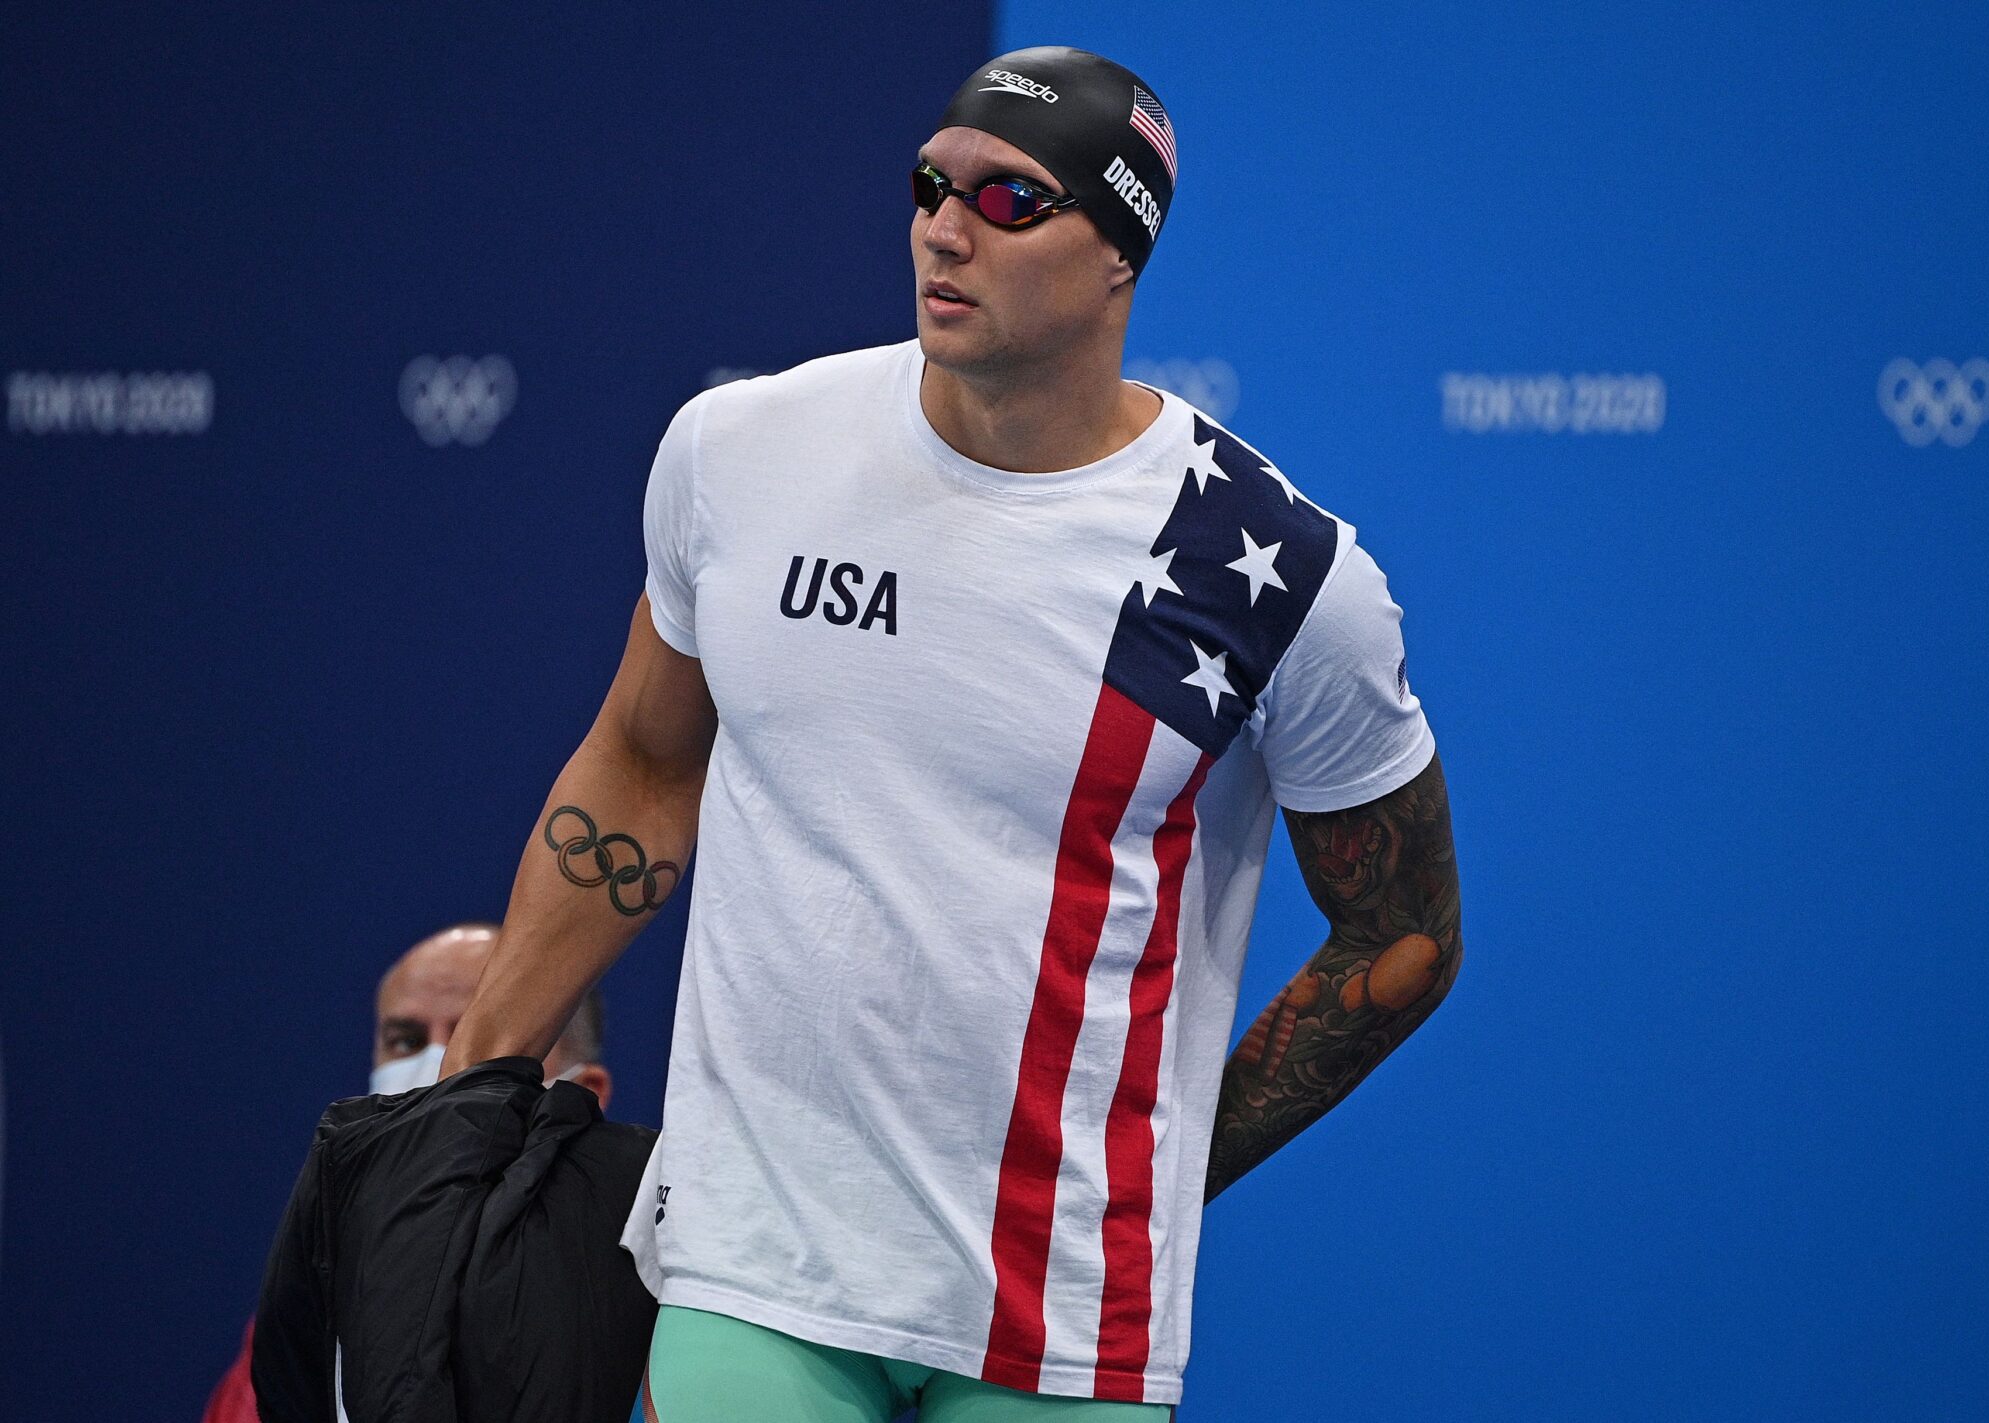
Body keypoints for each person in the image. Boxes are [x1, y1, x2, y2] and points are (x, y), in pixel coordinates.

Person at [442, 45, 1465, 1422]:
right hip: (759, 1263)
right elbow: (642, 764)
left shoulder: (1274, 570)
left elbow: (1401, 934)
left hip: (1059, 1313)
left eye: (1010, 199)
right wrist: (470, 1082)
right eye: (933, 183)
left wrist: (1163, 1172)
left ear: (1122, 256)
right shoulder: (737, 451)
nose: (945, 224)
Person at [204, 923, 614, 1423]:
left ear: (586, 1092)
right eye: (406, 1041)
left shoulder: (644, 1293)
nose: (439, 1065)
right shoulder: (317, 1306)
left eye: (474, 1037)